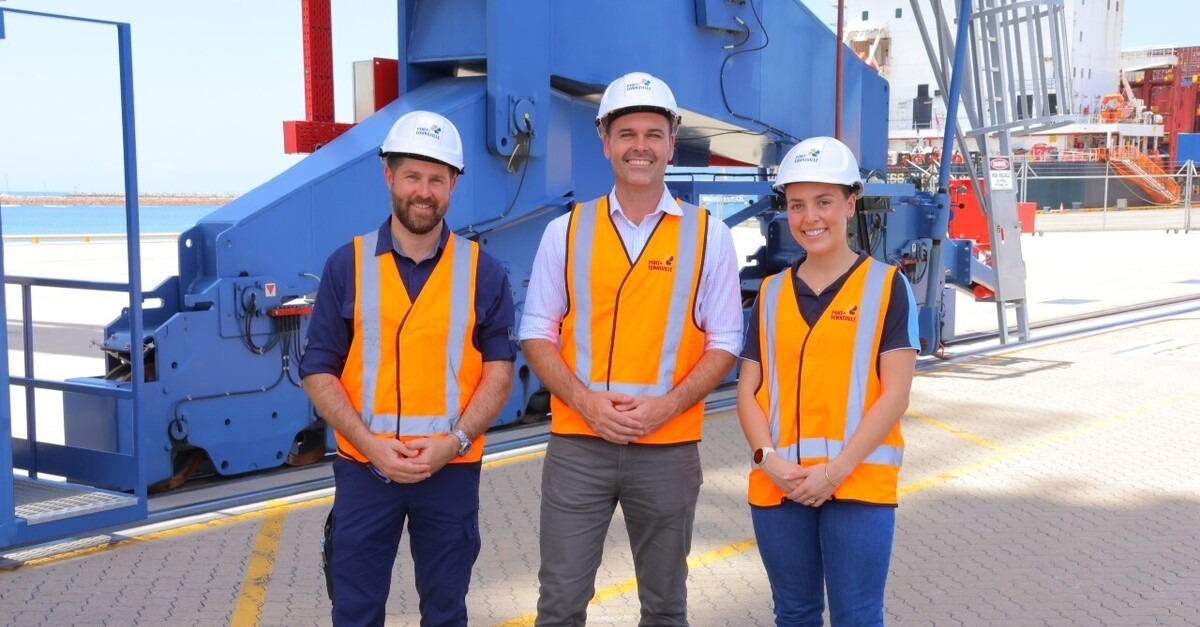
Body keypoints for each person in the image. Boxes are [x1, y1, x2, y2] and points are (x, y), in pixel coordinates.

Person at [519, 71, 743, 626]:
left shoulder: (709, 235)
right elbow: (536, 334)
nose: (639, 145)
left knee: (666, 607)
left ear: (671, 142)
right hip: (579, 445)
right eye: (626, 133)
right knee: (560, 604)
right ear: (605, 142)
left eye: (652, 133)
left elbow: (726, 342)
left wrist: (667, 405)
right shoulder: (565, 232)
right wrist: (586, 402)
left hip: (667, 448)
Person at [299, 110, 516, 627]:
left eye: (437, 179)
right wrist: (371, 444)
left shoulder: (484, 271)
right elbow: (318, 371)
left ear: (453, 185)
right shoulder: (345, 265)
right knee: (355, 612)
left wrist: (455, 441)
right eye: (413, 176)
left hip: (450, 470)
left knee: (445, 613)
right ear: (388, 176)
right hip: (366, 470)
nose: (424, 191)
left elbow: (499, 373)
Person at [736, 136, 919, 626]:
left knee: (857, 617)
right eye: (797, 205)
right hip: (781, 486)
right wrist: (766, 460)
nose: (809, 218)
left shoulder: (886, 286)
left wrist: (835, 471)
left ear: (850, 203)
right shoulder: (770, 294)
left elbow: (895, 394)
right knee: (794, 614)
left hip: (857, 485)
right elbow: (747, 392)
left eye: (824, 202)